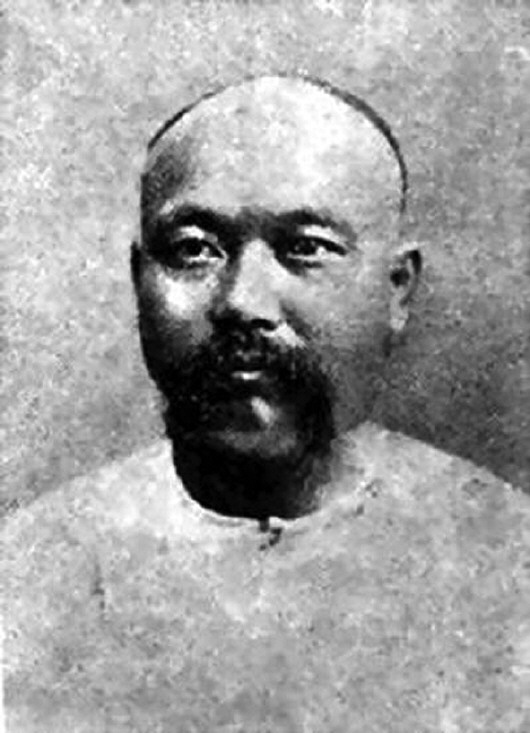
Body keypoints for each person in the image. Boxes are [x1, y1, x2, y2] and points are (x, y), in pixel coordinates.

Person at [2, 75, 529, 732]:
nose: (243, 302)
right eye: (194, 250)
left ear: (396, 288)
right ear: (140, 279)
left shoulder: (506, 561)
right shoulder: (30, 576)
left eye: (305, 247)